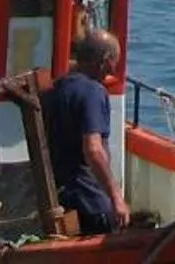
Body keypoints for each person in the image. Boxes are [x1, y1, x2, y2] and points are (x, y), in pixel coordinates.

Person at [42, 28, 129, 233]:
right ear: (106, 61)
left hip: (61, 197)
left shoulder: (56, 90)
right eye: (115, 62)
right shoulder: (92, 92)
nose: (114, 68)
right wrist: (116, 197)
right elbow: (93, 150)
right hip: (88, 202)